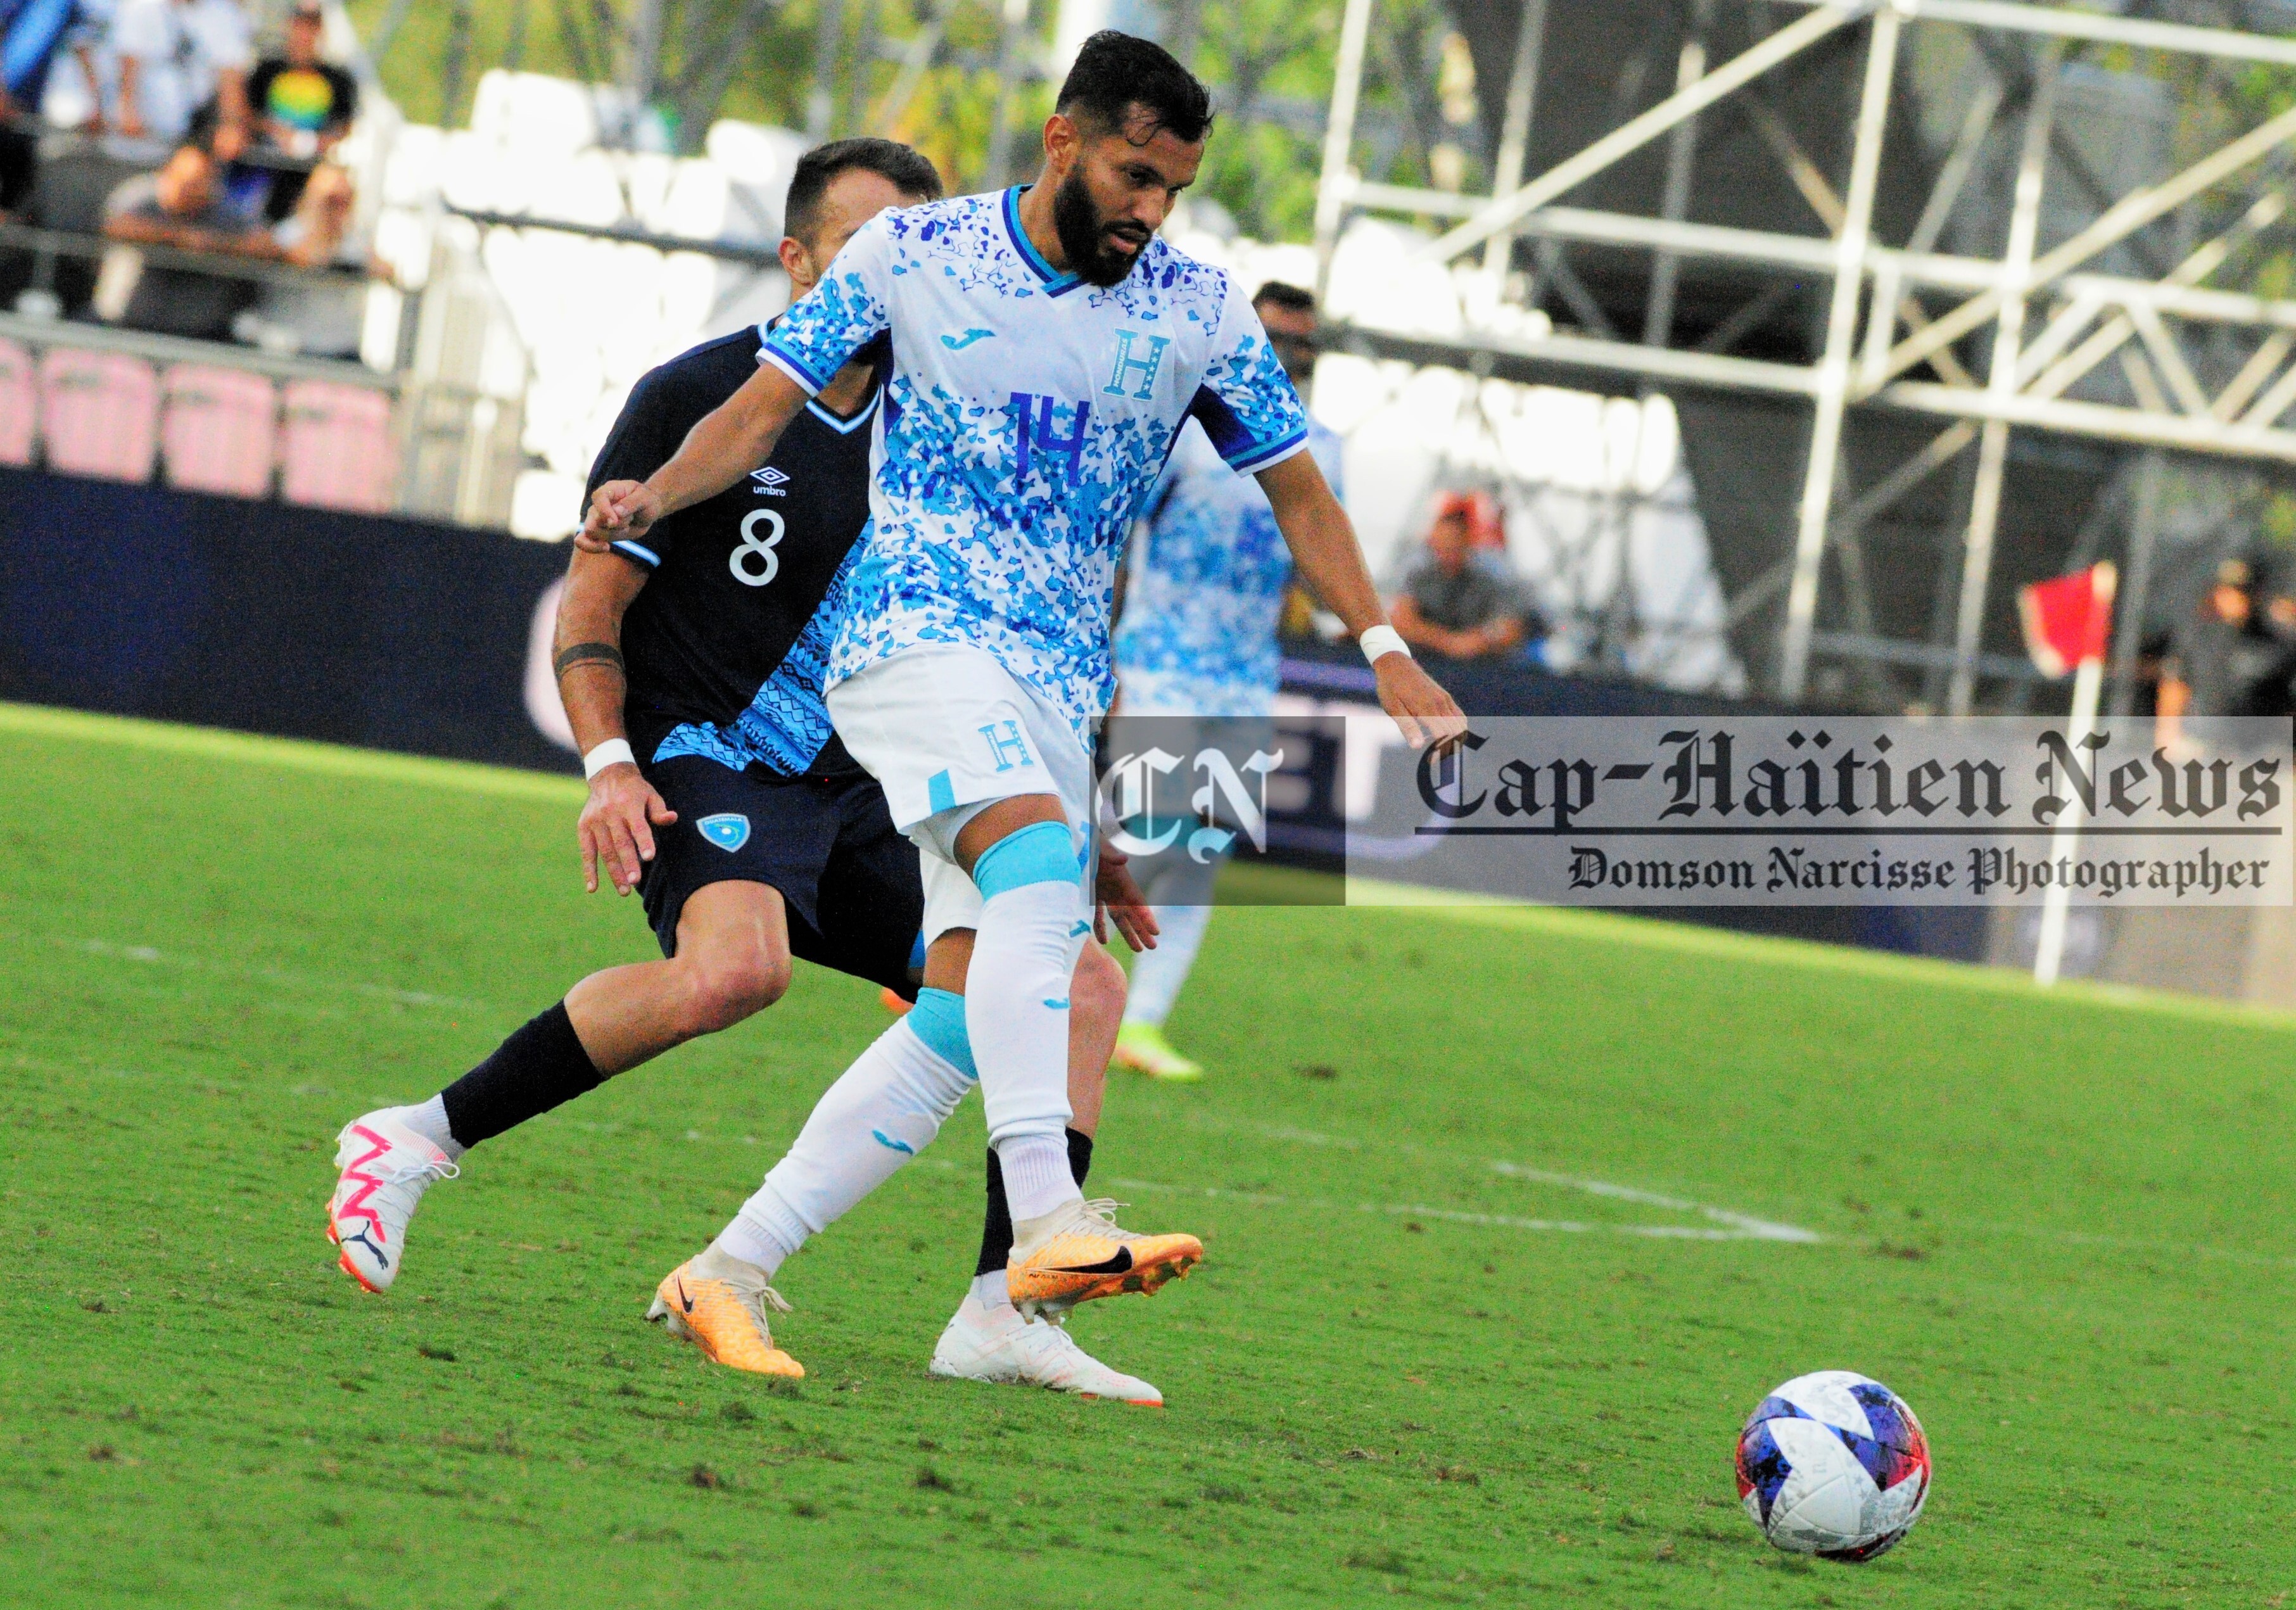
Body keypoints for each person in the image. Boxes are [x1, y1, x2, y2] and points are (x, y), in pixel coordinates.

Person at [581, 33, 1464, 1332]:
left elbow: (1299, 488)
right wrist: (658, 492)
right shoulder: (914, 254)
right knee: (1041, 880)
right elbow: (762, 409)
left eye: (1172, 188)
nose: (1148, 210)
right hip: (914, 638)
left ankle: (777, 1275)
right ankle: (1048, 1220)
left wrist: (1386, 649)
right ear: (1064, 141)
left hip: (1057, 674)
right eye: (1130, 174)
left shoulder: (1200, 307)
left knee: (963, 1013)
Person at [326, 139, 1170, 1406]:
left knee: (1086, 984)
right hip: (706, 751)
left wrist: (1075, 825)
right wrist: (610, 763)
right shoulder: (700, 395)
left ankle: (1002, 1310)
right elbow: (593, 599)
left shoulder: (949, 412)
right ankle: (414, 1136)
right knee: (738, 968)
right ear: (796, 261)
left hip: (869, 782)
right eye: (863, 251)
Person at [1103, 279, 1344, 1082]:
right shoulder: (1185, 431)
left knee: (1204, 847)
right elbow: (1117, 535)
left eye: (1301, 342)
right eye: (1275, 335)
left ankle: (1141, 1024)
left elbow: (1315, 550)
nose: (1287, 353)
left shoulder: (1326, 447)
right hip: (1160, 661)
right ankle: (1009, 965)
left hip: (1245, 679)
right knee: (1148, 828)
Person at [101, 139, 274, 338]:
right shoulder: (142, 194)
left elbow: (266, 246)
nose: (187, 190)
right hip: (125, 323)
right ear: (167, 173)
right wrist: (177, 238)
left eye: (197, 183)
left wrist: (214, 244)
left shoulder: (226, 209)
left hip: (199, 332)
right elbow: (115, 226)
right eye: (182, 180)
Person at [241, 161, 377, 357]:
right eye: (331, 200)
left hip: (338, 348)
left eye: (345, 200)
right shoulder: (287, 233)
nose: (338, 209)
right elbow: (275, 252)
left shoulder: (357, 241)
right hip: (287, 346)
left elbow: (383, 268)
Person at [1390, 491, 1533, 659]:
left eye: (1453, 543)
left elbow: (1510, 628)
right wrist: (1447, 642)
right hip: (1426, 662)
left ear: (1467, 541)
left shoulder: (1491, 578)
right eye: (1442, 544)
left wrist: (1478, 640)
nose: (1447, 552)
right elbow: (1400, 619)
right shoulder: (1419, 575)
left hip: (1480, 667)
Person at [244, 0, 353, 218]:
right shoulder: (268, 69)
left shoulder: (338, 79)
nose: (305, 35)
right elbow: (248, 113)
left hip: (309, 169)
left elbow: (344, 126)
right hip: (262, 162)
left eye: (312, 27)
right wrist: (278, 133)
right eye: (300, 26)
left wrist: (312, 142)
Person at [110, 0, 251, 153]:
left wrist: (230, 126)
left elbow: (230, 74)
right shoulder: (141, 7)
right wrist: (127, 111)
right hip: (145, 130)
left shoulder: (223, 12)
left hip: (197, 128)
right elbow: (128, 62)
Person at [0, 0, 100, 213]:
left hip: (27, 114)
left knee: (16, 193)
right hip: (9, 110)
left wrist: (95, 103)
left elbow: (80, 45)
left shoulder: (63, 5)